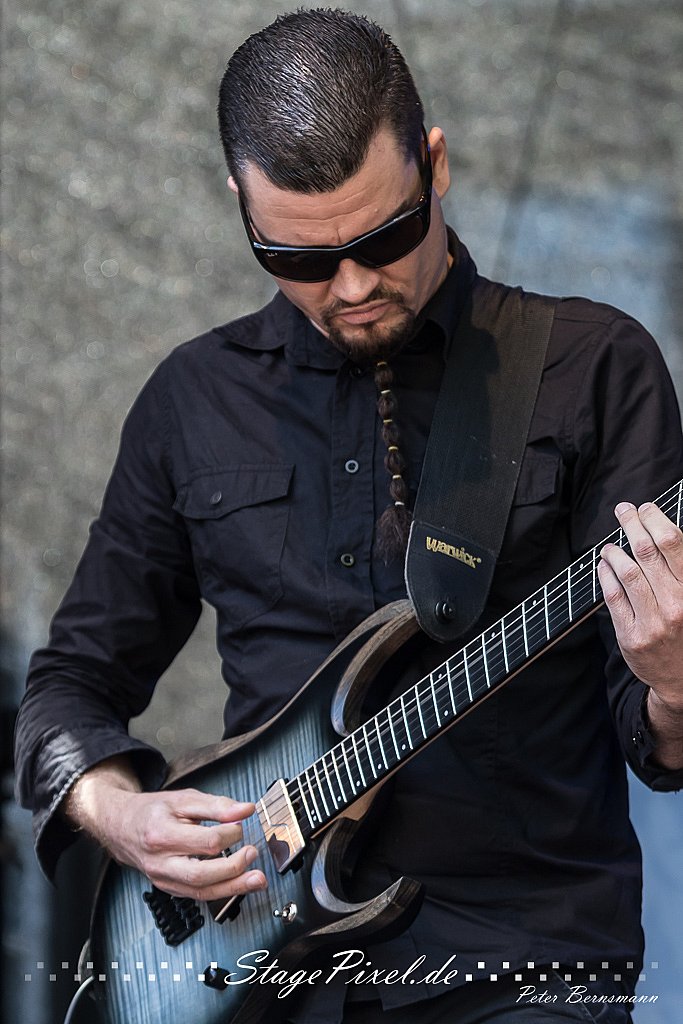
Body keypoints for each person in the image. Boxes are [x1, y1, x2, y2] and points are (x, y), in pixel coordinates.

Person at [14, 8, 683, 1023]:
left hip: (519, 965)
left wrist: (673, 677)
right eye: (300, 260)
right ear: (243, 208)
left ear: (434, 165)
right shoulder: (191, 401)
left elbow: (659, 745)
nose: (354, 285)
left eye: (385, 236)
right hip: (251, 973)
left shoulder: (589, 369)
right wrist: (118, 813)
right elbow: (68, 688)